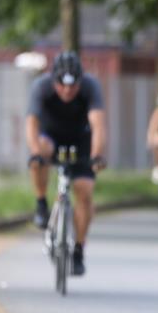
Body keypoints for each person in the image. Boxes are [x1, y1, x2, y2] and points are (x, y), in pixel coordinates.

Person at [26, 51, 107, 276]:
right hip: (50, 135)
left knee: (84, 191)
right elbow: (31, 123)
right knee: (39, 153)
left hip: (81, 139)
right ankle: (41, 203)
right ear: (54, 80)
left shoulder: (91, 87)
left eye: (73, 86)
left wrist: (97, 155)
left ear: (81, 81)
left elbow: (98, 125)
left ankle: (78, 250)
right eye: (62, 85)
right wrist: (35, 153)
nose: (67, 90)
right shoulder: (41, 87)